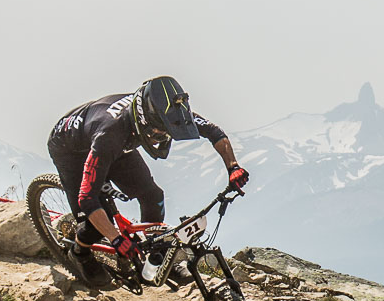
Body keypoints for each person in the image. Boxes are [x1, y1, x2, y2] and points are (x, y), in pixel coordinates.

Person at [47, 75, 248, 282]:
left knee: (152, 196)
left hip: (118, 143)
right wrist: (115, 239)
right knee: (95, 220)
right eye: (159, 134)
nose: (161, 139)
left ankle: (156, 261)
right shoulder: (109, 135)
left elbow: (214, 132)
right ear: (145, 122)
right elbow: (87, 200)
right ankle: (80, 253)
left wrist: (233, 167)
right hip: (71, 150)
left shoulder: (169, 112)